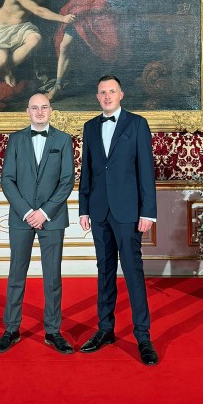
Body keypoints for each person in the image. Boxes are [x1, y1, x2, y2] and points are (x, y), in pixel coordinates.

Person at [78, 74, 158, 366]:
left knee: (133, 272)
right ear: (97, 97)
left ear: (121, 94)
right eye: (102, 92)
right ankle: (105, 329)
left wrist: (147, 212)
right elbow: (87, 171)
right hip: (99, 212)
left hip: (129, 213)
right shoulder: (89, 128)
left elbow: (146, 171)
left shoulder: (137, 124)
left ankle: (143, 336)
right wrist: (83, 208)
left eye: (112, 91)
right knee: (105, 272)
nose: (107, 96)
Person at [0, 93, 75, 354]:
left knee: (52, 277)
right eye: (35, 108)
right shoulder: (15, 140)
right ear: (27, 111)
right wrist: (28, 211)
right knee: (17, 275)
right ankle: (11, 329)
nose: (39, 112)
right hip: (21, 217)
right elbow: (7, 180)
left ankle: (53, 331)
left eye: (44, 108)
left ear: (51, 111)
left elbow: (67, 181)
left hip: (52, 219)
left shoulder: (63, 140)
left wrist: (44, 213)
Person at [47, 0, 131, 101]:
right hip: (85, 12)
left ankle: (107, 89)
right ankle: (57, 86)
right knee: (65, 44)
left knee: (109, 49)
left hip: (106, 14)